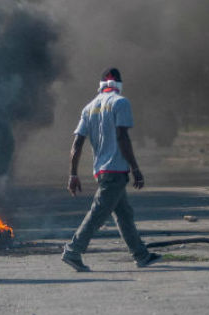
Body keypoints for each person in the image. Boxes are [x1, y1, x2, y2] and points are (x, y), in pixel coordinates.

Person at [62, 67, 161, 272]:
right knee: (98, 214)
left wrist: (73, 173)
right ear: (119, 85)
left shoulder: (88, 108)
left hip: (102, 171)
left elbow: (77, 144)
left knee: (124, 215)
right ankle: (73, 250)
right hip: (116, 171)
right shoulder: (120, 102)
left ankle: (141, 255)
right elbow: (122, 137)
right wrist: (135, 168)